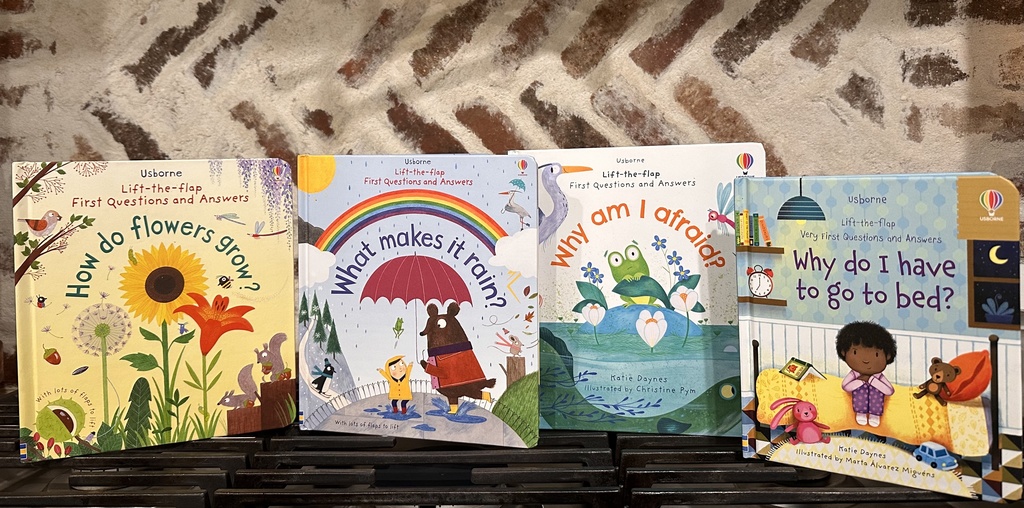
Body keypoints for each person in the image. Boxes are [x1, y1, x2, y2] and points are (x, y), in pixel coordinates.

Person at [836, 321, 896, 427]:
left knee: (876, 391)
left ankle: (875, 415)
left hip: (876, 406)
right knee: (860, 390)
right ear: (844, 352)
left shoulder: (878, 376)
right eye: (855, 352)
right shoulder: (855, 374)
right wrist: (860, 381)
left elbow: (889, 391)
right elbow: (845, 386)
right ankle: (861, 413)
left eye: (876, 354)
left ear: (888, 356)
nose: (866, 360)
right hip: (859, 405)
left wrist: (873, 381)